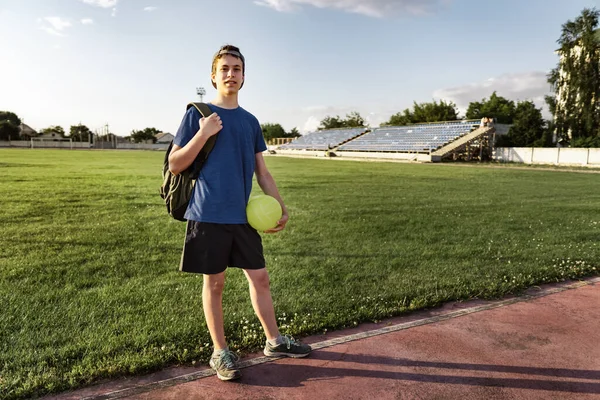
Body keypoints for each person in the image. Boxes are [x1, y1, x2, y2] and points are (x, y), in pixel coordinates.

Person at [168, 44, 311, 382]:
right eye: (225, 69)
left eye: (237, 69)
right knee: (214, 283)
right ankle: (220, 351)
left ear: (244, 77)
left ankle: (274, 341)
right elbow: (176, 164)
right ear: (214, 76)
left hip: (243, 216)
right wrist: (203, 133)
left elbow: (262, 172)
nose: (231, 74)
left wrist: (280, 206)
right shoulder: (197, 115)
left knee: (260, 278)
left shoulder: (250, 122)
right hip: (207, 214)